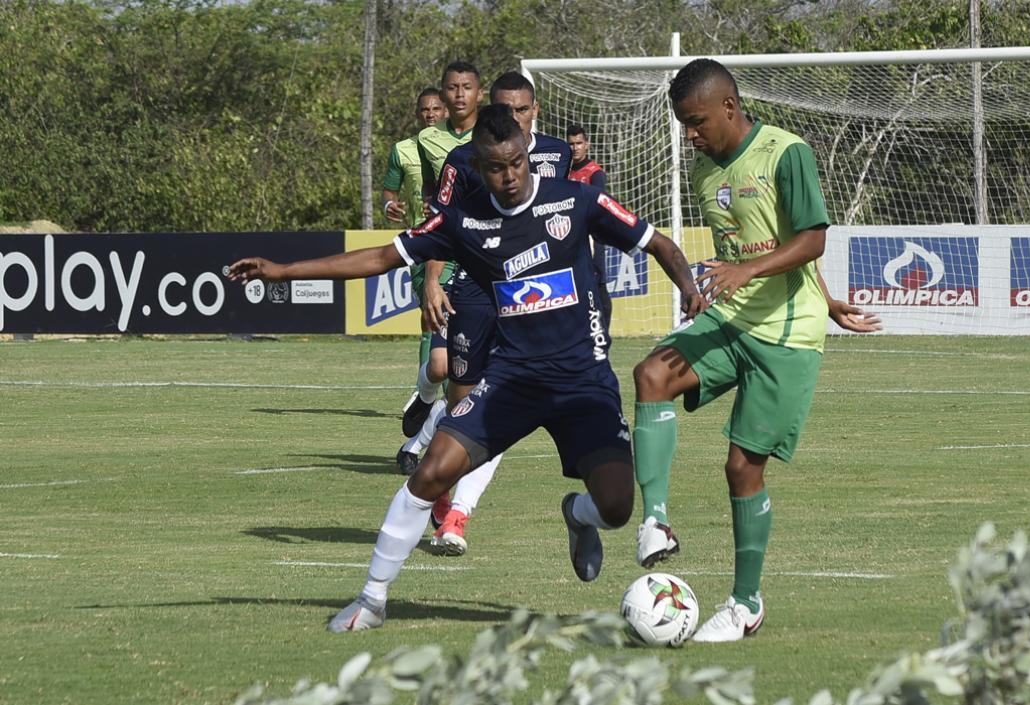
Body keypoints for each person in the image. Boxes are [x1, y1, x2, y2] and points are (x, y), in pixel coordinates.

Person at [227, 104, 705, 633]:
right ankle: (371, 600)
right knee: (431, 472)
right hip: (512, 379)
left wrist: (687, 286)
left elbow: (655, 241)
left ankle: (578, 514)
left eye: (517, 163)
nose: (509, 176)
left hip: (582, 381)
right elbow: (380, 258)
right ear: (478, 165)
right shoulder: (461, 221)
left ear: (527, 153)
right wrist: (283, 271)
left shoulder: (576, 199)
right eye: (496, 167)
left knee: (615, 507)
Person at [630, 58, 879, 644]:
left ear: (729, 108)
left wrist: (806, 297)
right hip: (732, 320)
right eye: (682, 124)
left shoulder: (785, 152)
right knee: (650, 375)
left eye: (695, 122)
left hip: (787, 338)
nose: (689, 134)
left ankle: (746, 604)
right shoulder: (702, 172)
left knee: (742, 469)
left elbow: (811, 237)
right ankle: (657, 523)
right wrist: (823, 296)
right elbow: (752, 247)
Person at [401, 70, 573, 556]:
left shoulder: (557, 156)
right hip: (474, 293)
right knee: (462, 410)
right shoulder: (462, 161)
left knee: (496, 411)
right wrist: (432, 281)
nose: (511, 118)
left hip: (528, 298)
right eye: (502, 109)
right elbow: (442, 227)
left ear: (534, 110)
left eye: (520, 110)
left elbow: (567, 222)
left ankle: (457, 516)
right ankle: (437, 489)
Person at [398, 62, 484, 440]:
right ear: (444, 96)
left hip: (487, 261)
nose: (460, 94)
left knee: (467, 376)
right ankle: (424, 397)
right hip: (445, 253)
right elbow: (434, 197)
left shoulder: (496, 133)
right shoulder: (428, 140)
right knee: (438, 365)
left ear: (480, 93)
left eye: (467, 87)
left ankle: (426, 447)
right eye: (453, 88)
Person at [566, 124, 613, 332]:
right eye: (571, 144)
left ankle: (602, 334)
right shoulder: (563, 172)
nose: (575, 148)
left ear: (587, 144)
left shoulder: (595, 173)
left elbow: (598, 206)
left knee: (598, 286)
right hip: (569, 240)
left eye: (579, 143)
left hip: (592, 239)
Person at [381, 88, 447, 226]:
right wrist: (389, 205)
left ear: (446, 112)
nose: (430, 114)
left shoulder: (462, 145)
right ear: (417, 114)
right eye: (424, 110)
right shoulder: (401, 149)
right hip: (421, 232)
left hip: (455, 232)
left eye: (436, 109)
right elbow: (390, 192)